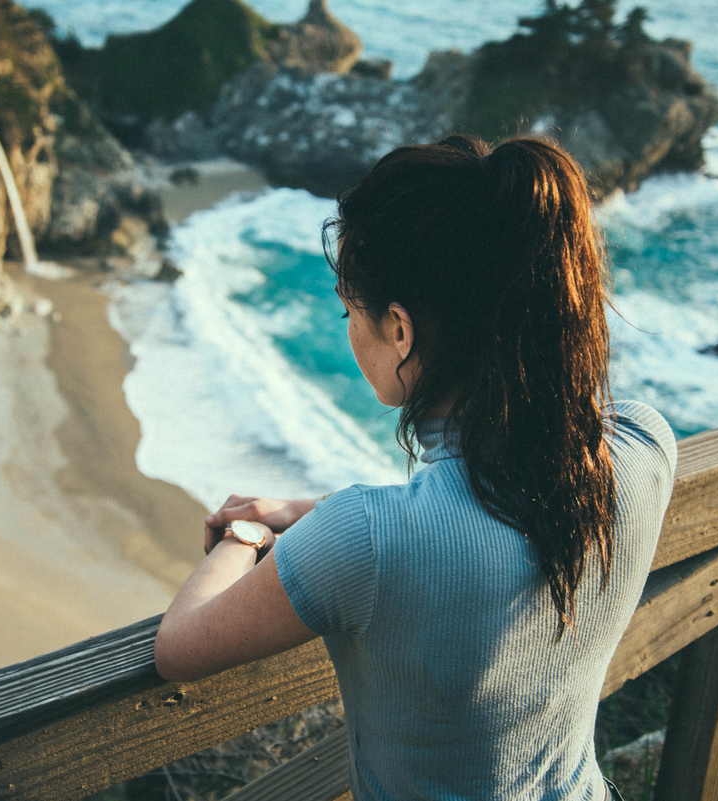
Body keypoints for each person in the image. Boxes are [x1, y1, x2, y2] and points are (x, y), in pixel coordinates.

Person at [153, 134, 677, 800]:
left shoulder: (365, 541)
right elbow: (484, 520)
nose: (349, 328)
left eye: (351, 309)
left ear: (401, 331)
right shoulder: (644, 447)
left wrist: (246, 534)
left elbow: (180, 645)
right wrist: (308, 513)